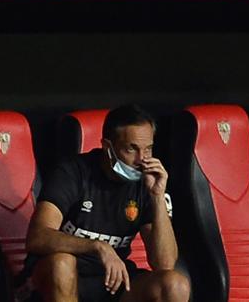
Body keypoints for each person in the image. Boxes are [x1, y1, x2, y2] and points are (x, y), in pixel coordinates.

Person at [20, 105, 190, 302]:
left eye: (148, 149)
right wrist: (98, 246)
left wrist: (158, 197)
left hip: (112, 280)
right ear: (108, 147)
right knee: (62, 263)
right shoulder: (73, 172)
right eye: (131, 149)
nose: (141, 160)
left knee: (175, 285)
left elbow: (165, 263)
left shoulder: (148, 182)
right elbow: (37, 237)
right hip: (62, 277)